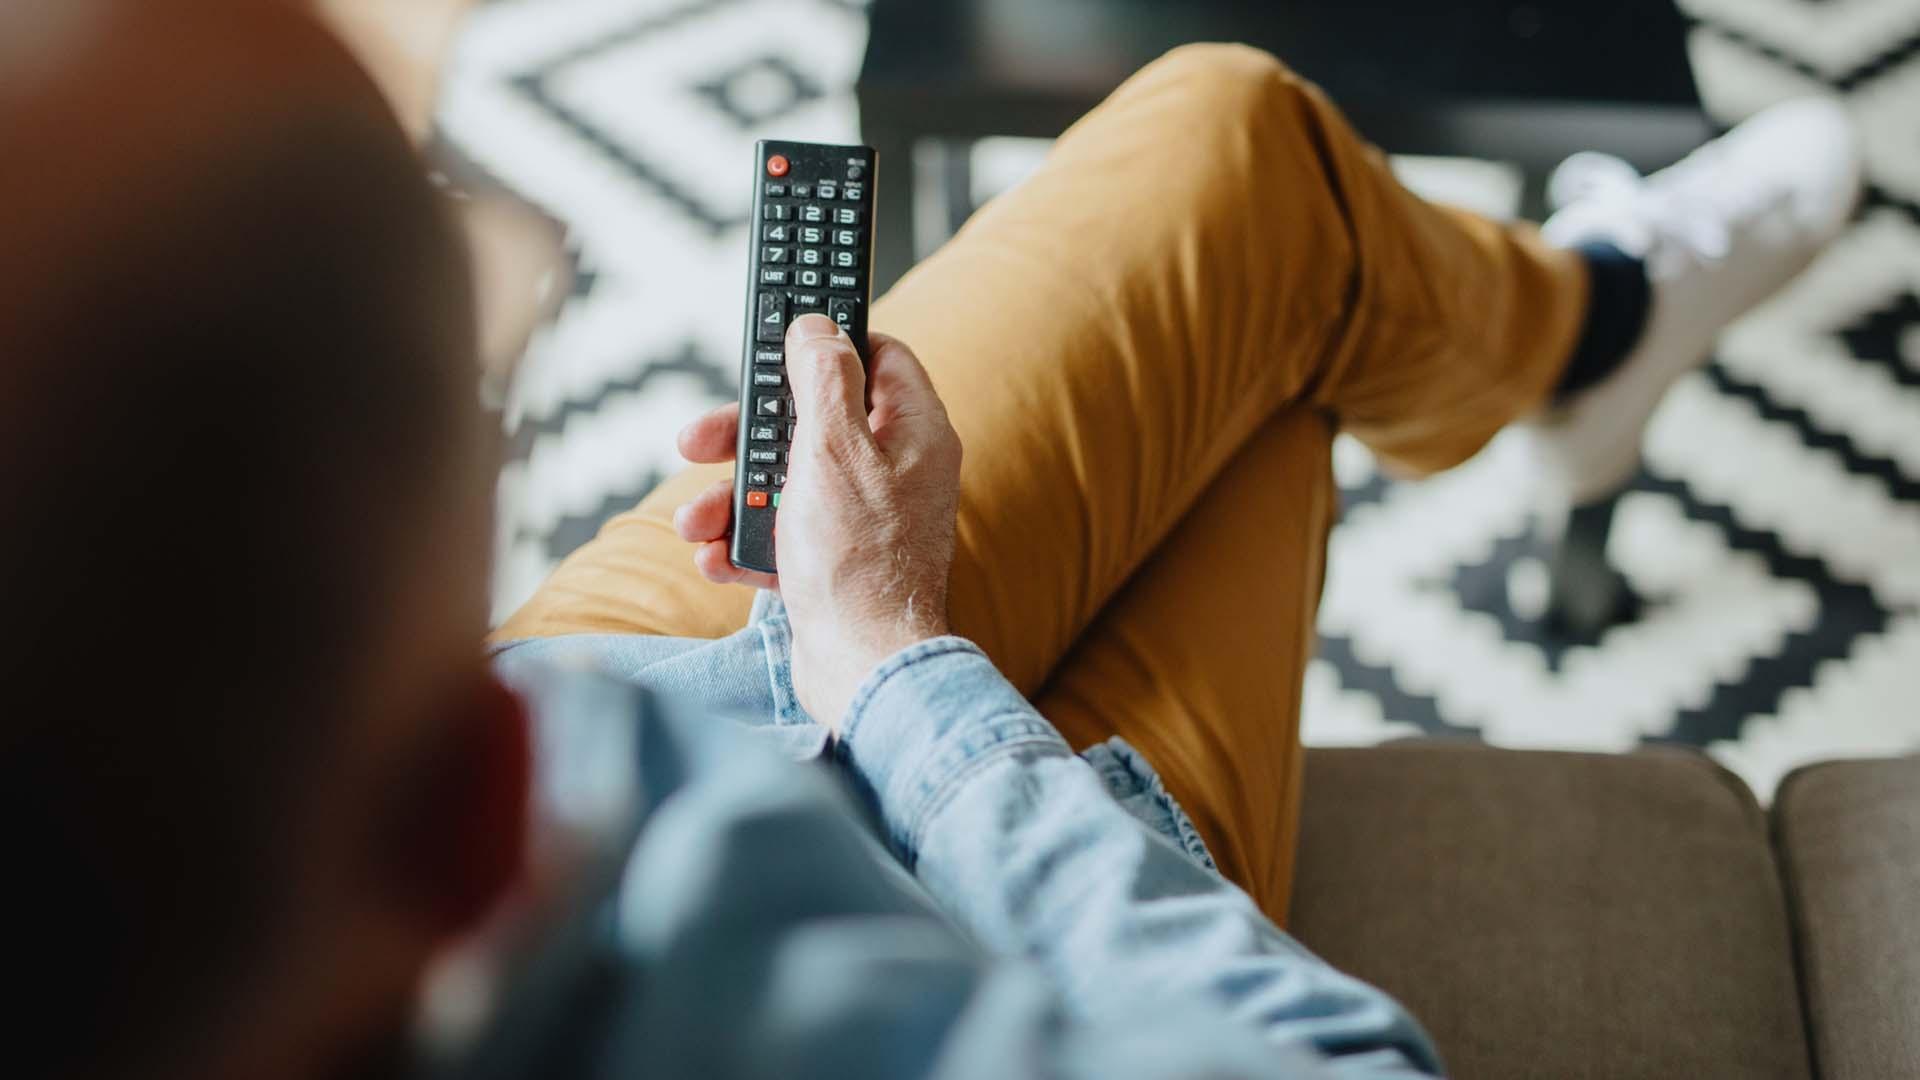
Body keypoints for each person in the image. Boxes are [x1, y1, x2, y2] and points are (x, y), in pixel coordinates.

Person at [0, 1, 1859, 1078]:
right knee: (1275, 280)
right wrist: (890, 655)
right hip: (948, 827)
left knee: (1239, 160)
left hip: (665, 658)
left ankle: (1580, 340)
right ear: (494, 804)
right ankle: (1590, 343)